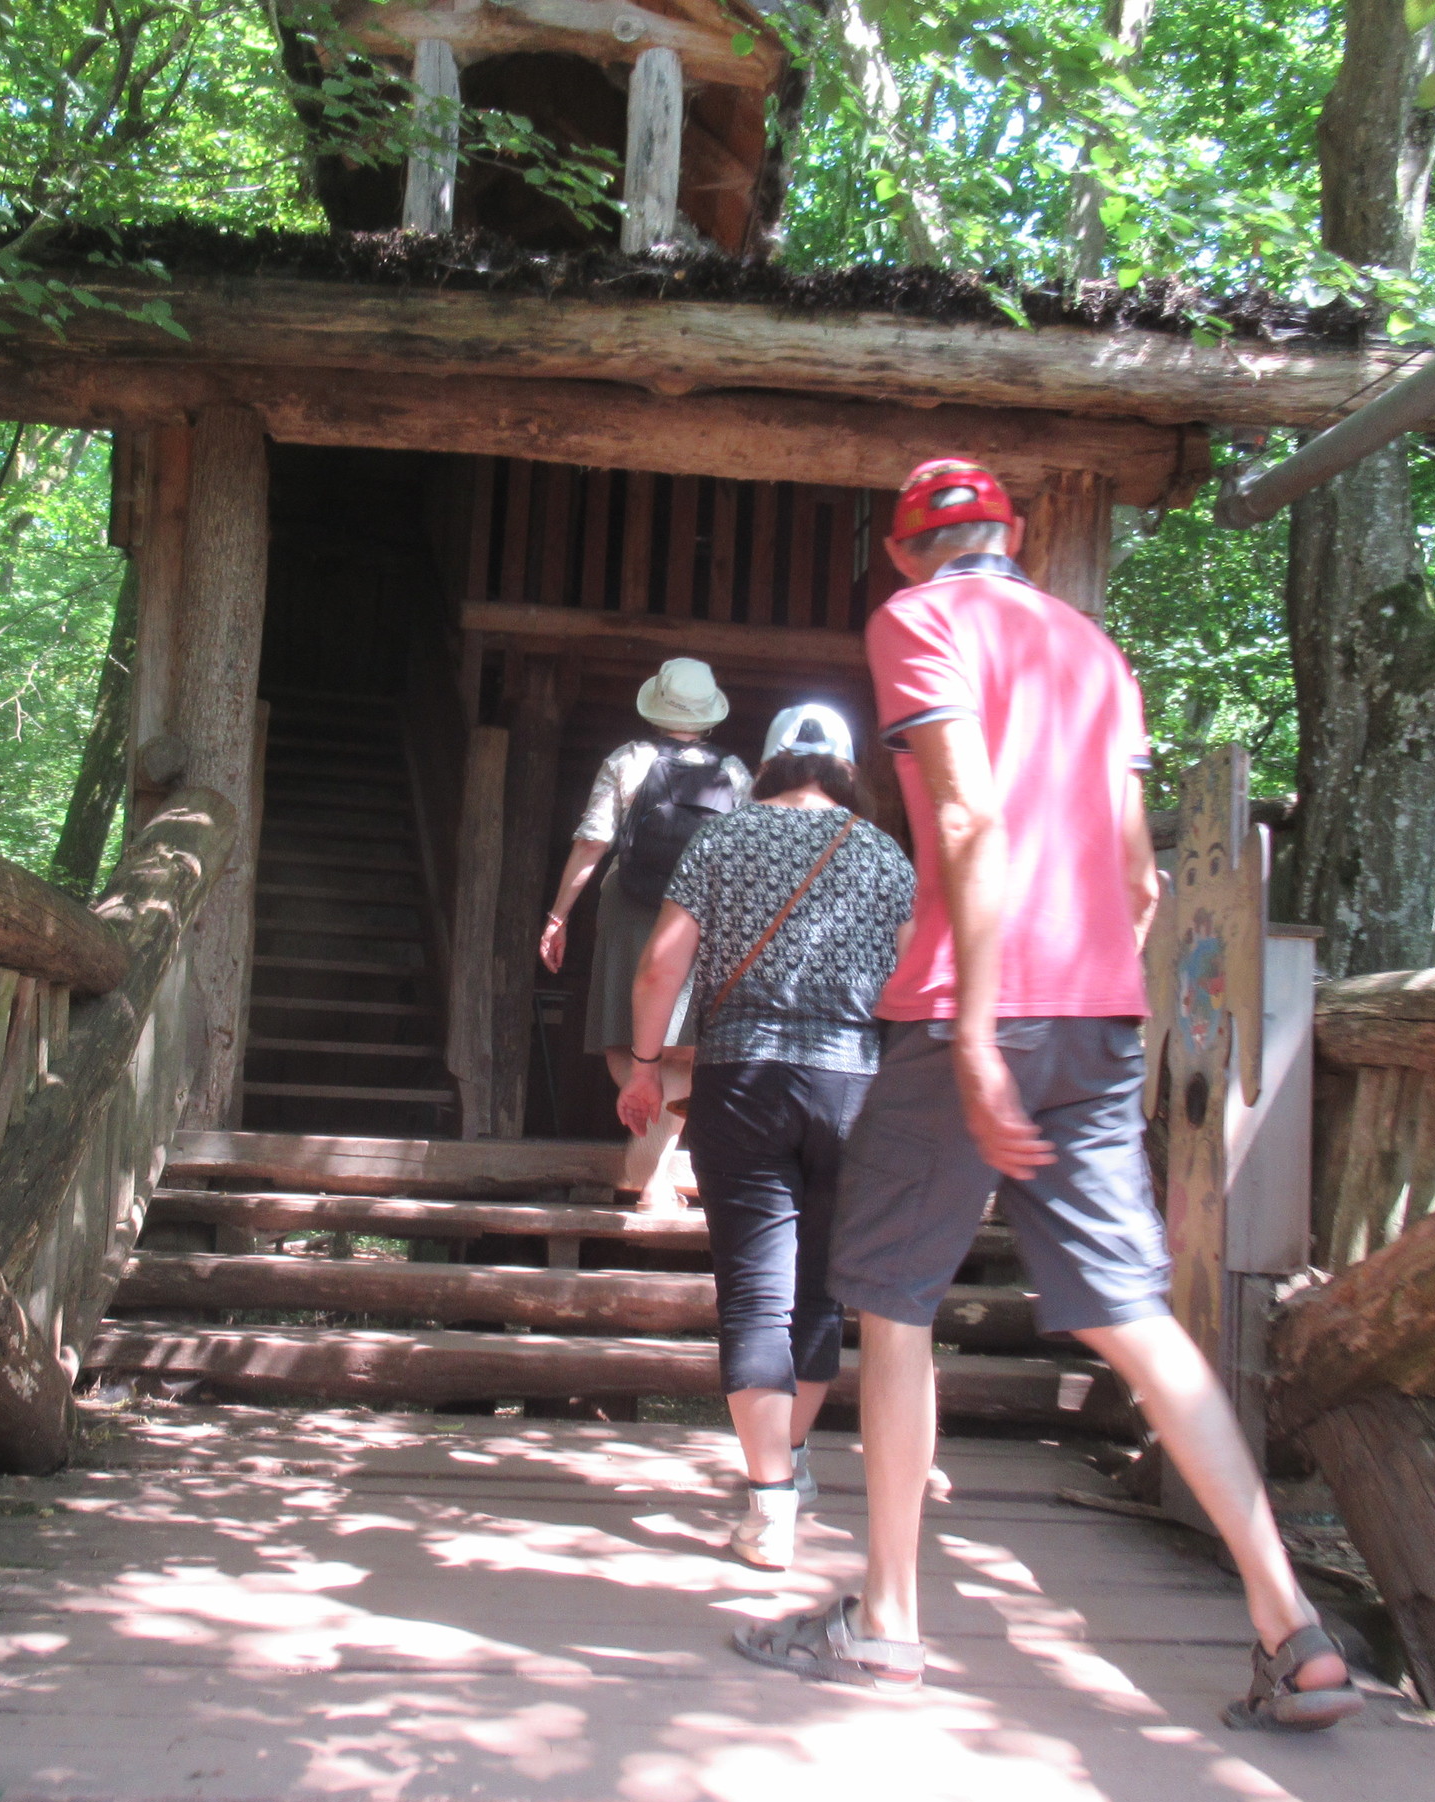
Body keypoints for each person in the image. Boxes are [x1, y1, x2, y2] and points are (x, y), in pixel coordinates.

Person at [733, 458, 1360, 1731]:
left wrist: (976, 1026)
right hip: (1098, 1012)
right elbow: (1138, 876)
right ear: (1013, 532)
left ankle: (886, 1625)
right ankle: (1292, 1624)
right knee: (1134, 1314)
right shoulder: (1097, 653)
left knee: (894, 1306)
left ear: (903, 551)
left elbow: (967, 818)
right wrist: (1098, 997)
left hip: (970, 1003)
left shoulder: (918, 619)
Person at [616, 705, 916, 1571]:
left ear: (770, 762)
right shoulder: (883, 855)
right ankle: (791, 1465)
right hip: (853, 1086)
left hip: (742, 1080)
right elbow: (913, 987)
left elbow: (660, 965)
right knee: (820, 1294)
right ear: (848, 768)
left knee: (754, 1296)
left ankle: (771, 1502)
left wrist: (644, 1066)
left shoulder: (723, 840)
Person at [542, 658, 751, 1213]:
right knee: (683, 1047)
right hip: (702, 914)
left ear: (656, 705)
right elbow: (747, 853)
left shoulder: (627, 760)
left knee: (625, 1039)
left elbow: (593, 840)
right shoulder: (733, 772)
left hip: (630, 907)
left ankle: (650, 1170)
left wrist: (558, 915)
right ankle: (654, 1173)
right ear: (709, 714)